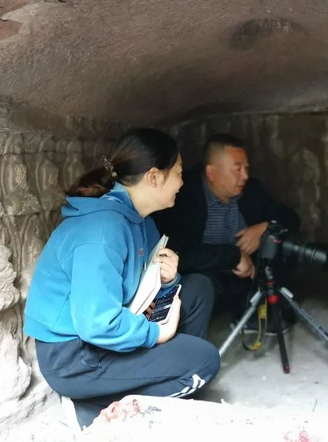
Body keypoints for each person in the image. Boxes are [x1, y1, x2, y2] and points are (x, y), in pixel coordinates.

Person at [24, 128, 220, 430]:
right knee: (204, 361)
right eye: (179, 173)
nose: (183, 182)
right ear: (154, 177)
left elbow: (145, 284)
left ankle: (164, 375)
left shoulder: (138, 219)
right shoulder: (102, 231)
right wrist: (156, 334)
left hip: (112, 328)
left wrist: (168, 279)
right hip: (76, 357)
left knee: (199, 288)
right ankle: (94, 407)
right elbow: (96, 323)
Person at [153, 134, 300, 332]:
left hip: (249, 276)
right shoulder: (185, 196)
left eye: (246, 168)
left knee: (285, 245)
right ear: (212, 173)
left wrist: (265, 227)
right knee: (200, 282)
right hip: (212, 279)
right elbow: (181, 253)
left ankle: (253, 311)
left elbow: (291, 218)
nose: (245, 175)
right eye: (237, 169)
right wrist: (234, 256)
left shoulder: (250, 190)